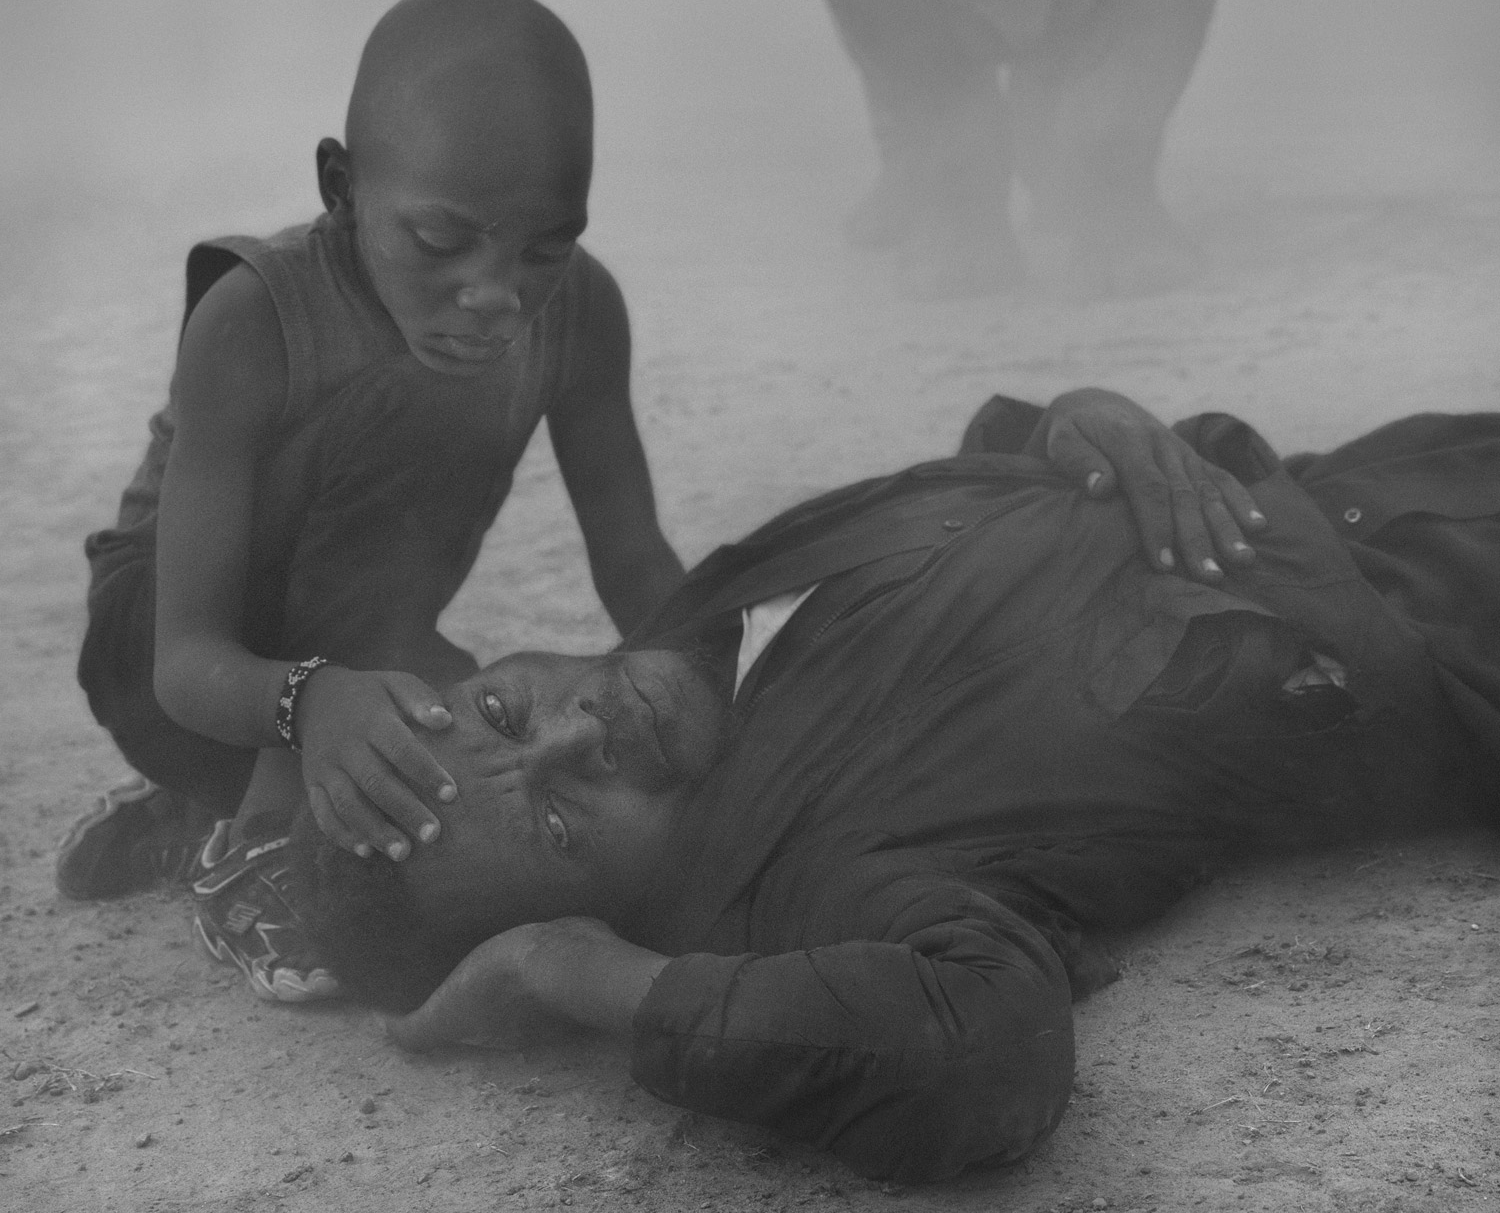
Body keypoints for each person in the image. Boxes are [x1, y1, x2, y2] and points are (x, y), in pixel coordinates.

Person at [292, 387, 1500, 1185]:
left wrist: (1070, 428)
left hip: (1410, 473)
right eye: (558, 820)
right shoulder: (810, 885)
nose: (578, 731)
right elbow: (982, 1056)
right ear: (587, 910)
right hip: (1453, 627)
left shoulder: (698, 631)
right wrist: (577, 972)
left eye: (509, 707)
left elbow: (968, 531)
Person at [59, 0, 686, 1002]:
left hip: (369, 647)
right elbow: (183, 662)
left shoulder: (581, 312)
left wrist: (733, 697)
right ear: (343, 186)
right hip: (171, 648)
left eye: (544, 248)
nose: (495, 293)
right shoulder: (252, 320)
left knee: (492, 771)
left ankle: (197, 808)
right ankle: (255, 840)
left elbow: (634, 559)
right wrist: (315, 700)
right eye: (440, 242)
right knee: (406, 405)